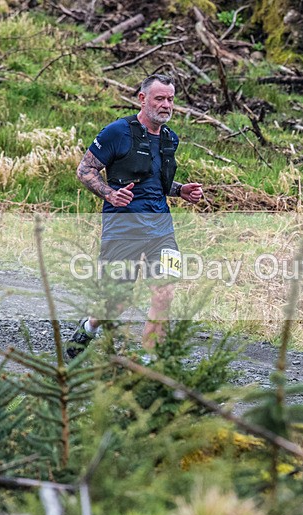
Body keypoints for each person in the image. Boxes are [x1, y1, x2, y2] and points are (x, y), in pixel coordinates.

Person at [66, 73, 203, 359]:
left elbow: (157, 182)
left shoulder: (169, 139)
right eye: (159, 99)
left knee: (164, 292)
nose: (166, 105)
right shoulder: (118, 132)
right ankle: (90, 326)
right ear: (142, 99)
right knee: (117, 300)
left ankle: (150, 362)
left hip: (162, 229)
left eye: (170, 99)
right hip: (123, 227)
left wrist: (180, 191)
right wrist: (109, 194)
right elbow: (85, 170)